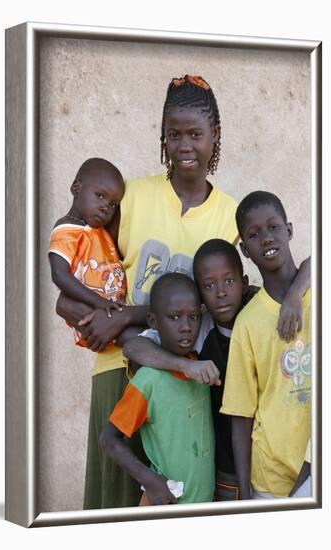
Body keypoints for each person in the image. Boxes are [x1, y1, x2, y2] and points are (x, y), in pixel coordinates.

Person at [56, 75, 308, 509]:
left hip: (191, 377)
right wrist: (84, 311)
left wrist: (126, 314)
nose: (185, 145)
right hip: (118, 364)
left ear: (216, 137)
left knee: (183, 496)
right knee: (115, 501)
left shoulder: (233, 215)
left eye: (196, 134)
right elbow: (84, 265)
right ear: (163, 137)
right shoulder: (130, 196)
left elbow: (262, 284)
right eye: (174, 134)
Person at [124, 239, 249, 501]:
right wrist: (188, 366)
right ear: (200, 297)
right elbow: (134, 348)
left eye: (229, 281)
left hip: (263, 462)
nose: (221, 292)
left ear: (244, 283)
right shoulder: (199, 328)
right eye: (209, 285)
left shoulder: (256, 314)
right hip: (219, 469)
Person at [220, 191, 311, 500]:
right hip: (270, 481)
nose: (267, 238)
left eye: (273, 227)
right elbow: (240, 415)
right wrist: (245, 497)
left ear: (289, 229)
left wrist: (297, 293)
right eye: (254, 234)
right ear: (245, 250)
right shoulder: (248, 324)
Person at [100, 273, 216, 505]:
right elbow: (109, 438)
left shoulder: (199, 368)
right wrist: (150, 480)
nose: (186, 327)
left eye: (193, 317)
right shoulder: (148, 381)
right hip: (168, 505)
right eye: (174, 317)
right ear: (153, 322)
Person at [49, 158, 126, 348]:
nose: (106, 207)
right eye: (100, 195)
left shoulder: (99, 230)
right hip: (92, 312)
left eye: (113, 204)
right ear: (77, 188)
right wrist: (99, 303)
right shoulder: (66, 229)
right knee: (135, 340)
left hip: (112, 310)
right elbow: (59, 274)